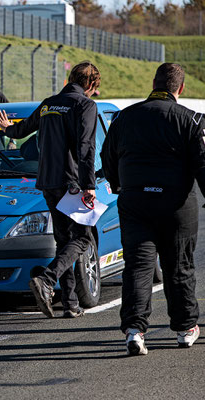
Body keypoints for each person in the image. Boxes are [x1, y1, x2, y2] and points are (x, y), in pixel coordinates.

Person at [100, 63, 205, 356]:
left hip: (135, 203)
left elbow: (107, 157)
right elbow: (203, 165)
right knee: (179, 267)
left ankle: (135, 330)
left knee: (137, 267)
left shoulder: (124, 118)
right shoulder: (193, 120)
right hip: (176, 205)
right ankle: (185, 329)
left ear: (154, 83)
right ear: (180, 89)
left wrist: (120, 185)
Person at [0, 61, 101, 319]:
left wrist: (8, 128)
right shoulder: (85, 105)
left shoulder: (48, 103)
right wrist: (89, 185)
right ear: (89, 83)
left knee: (64, 240)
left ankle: (70, 304)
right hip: (72, 183)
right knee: (83, 239)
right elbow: (86, 149)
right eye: (94, 86)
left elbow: (21, 131)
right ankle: (46, 278)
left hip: (47, 183)